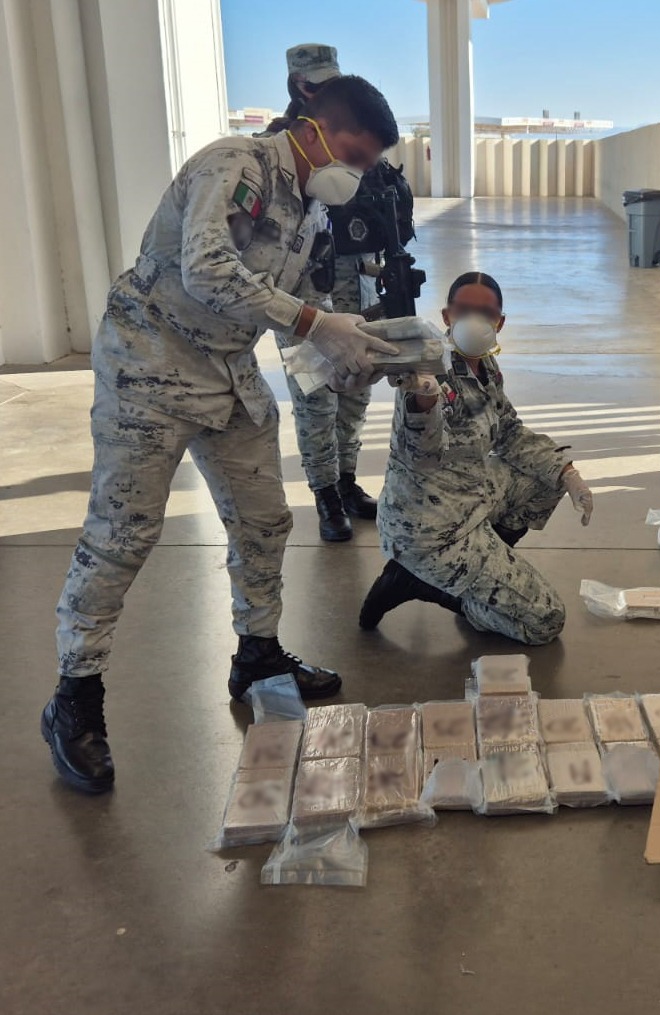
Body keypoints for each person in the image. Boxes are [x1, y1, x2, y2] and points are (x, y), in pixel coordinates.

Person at [42, 76, 403, 794]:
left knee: (265, 520)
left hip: (228, 370)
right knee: (122, 535)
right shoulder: (233, 164)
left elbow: (292, 308)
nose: (358, 176)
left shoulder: (308, 212)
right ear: (314, 129)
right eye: (355, 157)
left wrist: (342, 355)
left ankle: (258, 654)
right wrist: (313, 325)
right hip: (151, 359)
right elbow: (206, 268)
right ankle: (73, 698)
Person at [359, 272, 595, 646]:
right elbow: (419, 454)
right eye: (464, 309)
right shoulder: (427, 372)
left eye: (486, 312)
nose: (474, 319)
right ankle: (421, 582)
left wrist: (567, 472)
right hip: (430, 529)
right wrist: (424, 401)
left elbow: (509, 432)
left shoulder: (485, 367)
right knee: (546, 621)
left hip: (471, 496)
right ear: (447, 315)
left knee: (543, 478)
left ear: (499, 322)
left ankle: (482, 567)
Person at [268, 44, 414, 543]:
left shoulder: (354, 140)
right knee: (314, 395)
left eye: (330, 80)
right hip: (303, 293)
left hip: (362, 279)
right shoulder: (280, 148)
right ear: (296, 86)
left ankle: (347, 481)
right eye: (314, 84)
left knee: (356, 388)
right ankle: (325, 493)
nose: (322, 90)